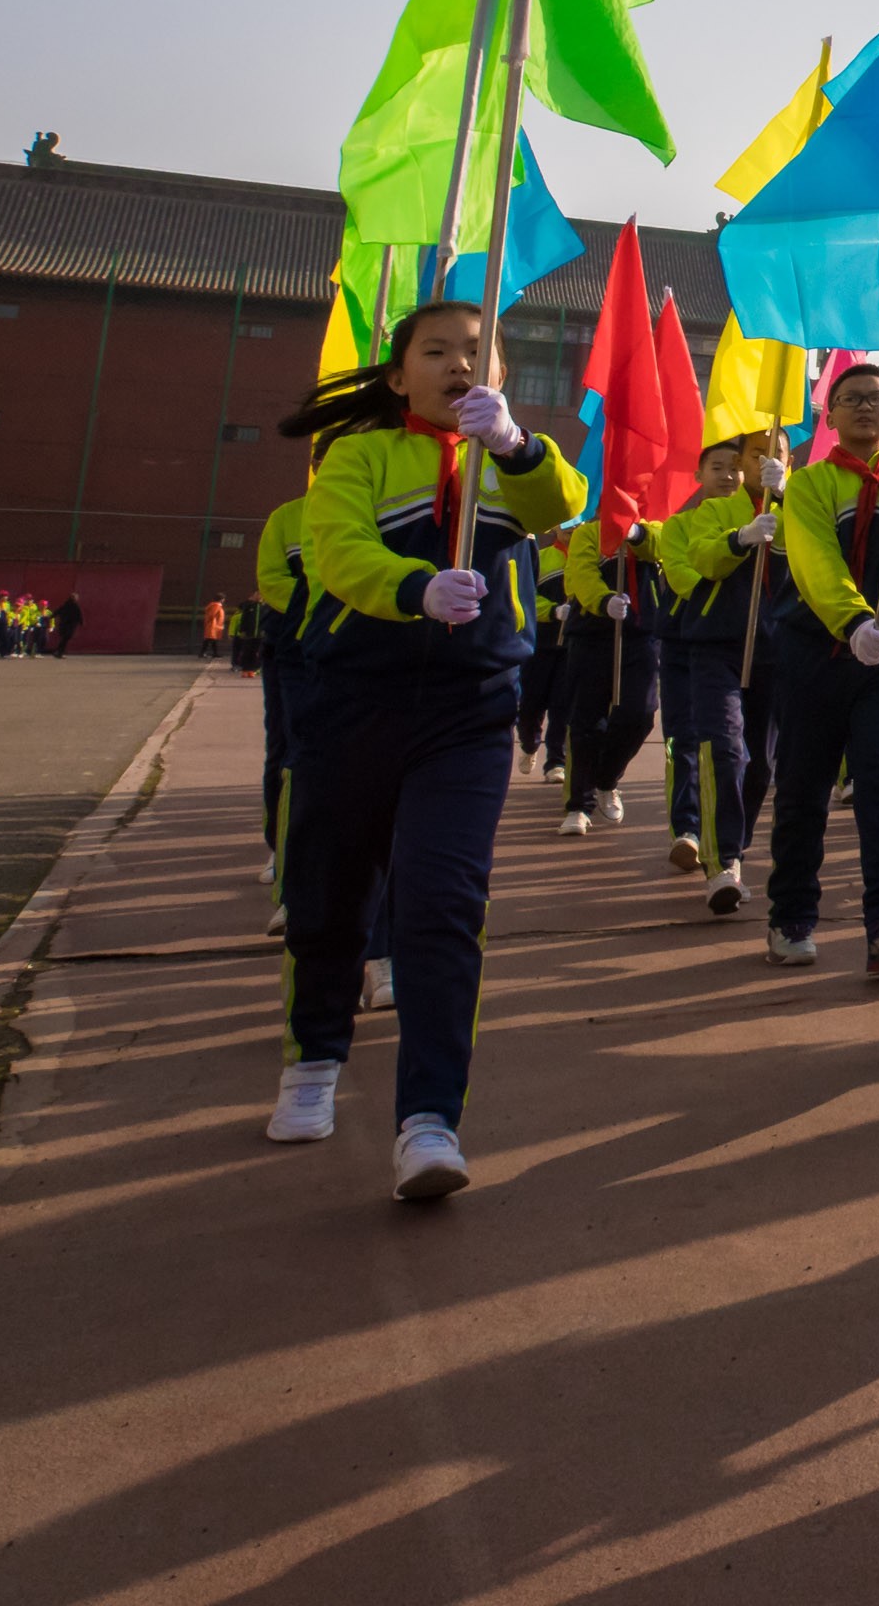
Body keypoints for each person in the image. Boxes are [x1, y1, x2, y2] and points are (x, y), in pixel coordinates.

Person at [261, 299, 588, 1198]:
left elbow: (563, 506)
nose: (457, 364)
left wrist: (519, 444)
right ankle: (315, 1059)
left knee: (442, 905)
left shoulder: (512, 458)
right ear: (399, 373)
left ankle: (429, 1120)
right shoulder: (358, 456)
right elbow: (338, 554)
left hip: (469, 710)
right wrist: (413, 589)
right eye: (436, 351)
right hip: (352, 702)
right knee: (331, 896)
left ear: (501, 378)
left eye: (476, 352)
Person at [766, 361, 879, 973]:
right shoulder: (812, 485)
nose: (867, 407)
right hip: (814, 651)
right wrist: (851, 621)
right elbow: (815, 562)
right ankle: (791, 914)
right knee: (803, 788)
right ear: (831, 415)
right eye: (853, 399)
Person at [655, 437, 785, 917]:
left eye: (776, 454)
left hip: (775, 648)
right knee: (722, 749)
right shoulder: (707, 515)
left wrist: (787, 503)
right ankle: (722, 860)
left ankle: (734, 845)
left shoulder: (798, 506)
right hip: (710, 646)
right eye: (743, 460)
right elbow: (700, 564)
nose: (738, 472)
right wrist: (741, 539)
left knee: (761, 765)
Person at [558, 520, 659, 835]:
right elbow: (580, 576)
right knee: (587, 721)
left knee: (640, 714)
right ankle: (579, 805)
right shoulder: (588, 534)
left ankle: (606, 779)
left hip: (640, 636)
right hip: (592, 635)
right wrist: (603, 601)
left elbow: (662, 547)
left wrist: (637, 535)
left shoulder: (653, 526)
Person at [252, 484, 316, 936]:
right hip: (291, 648)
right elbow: (272, 581)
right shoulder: (287, 517)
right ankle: (282, 847)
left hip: (352, 646)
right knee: (289, 750)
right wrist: (329, 604)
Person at [515, 521, 571, 787]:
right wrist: (552, 611)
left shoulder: (592, 559)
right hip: (539, 645)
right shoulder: (543, 556)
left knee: (563, 706)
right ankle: (528, 743)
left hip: (573, 647)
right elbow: (525, 598)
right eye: (568, 524)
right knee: (530, 704)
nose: (573, 529)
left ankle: (556, 762)